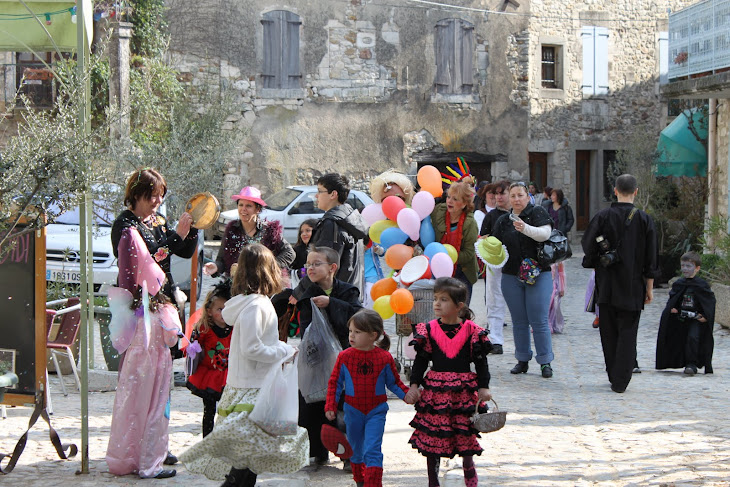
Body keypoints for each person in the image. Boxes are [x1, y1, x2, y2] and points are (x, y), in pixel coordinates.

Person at [180, 244, 309, 487]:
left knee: (248, 459)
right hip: (252, 390)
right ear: (268, 272)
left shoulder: (248, 304)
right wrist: (284, 350)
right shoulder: (257, 306)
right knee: (245, 463)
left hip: (246, 388)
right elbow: (253, 348)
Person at [107, 168, 194, 479]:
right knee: (144, 382)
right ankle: (142, 449)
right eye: (152, 195)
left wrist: (188, 232)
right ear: (136, 194)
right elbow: (148, 260)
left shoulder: (157, 221)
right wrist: (175, 238)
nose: (158, 201)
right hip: (141, 310)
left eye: (161, 195)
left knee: (162, 383)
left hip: (163, 304)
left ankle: (157, 444)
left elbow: (180, 251)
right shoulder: (125, 225)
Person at [408, 277, 492, 487]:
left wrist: (484, 386)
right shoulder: (428, 330)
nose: (437, 303)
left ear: (459, 306)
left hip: (463, 391)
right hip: (436, 391)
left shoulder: (472, 332)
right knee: (434, 432)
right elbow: (421, 361)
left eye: (443, 299)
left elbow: (481, 362)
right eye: (436, 298)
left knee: (464, 430)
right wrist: (414, 385)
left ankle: (469, 471)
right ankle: (432, 480)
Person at [581, 174, 659, 393]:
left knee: (608, 331)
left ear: (615, 190)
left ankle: (613, 373)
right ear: (636, 191)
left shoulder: (603, 216)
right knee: (628, 331)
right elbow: (651, 257)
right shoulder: (644, 220)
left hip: (607, 284)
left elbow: (588, 245)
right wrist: (650, 287)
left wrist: (598, 259)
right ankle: (621, 379)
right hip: (633, 285)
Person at [324, 309, 412, 487]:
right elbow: (335, 383)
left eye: (357, 332)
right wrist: (330, 406)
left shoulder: (384, 358)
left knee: (372, 449)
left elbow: (394, 383)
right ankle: (360, 481)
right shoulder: (345, 357)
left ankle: (373, 483)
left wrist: (407, 395)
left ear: (373, 335)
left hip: (376, 411)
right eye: (350, 331)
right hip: (352, 410)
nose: (352, 336)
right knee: (356, 451)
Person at [295, 246, 363, 467]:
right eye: (308, 264)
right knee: (314, 403)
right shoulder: (308, 293)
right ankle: (317, 450)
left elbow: (357, 318)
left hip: (345, 357)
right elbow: (306, 328)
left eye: (316, 264)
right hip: (318, 359)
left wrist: (332, 304)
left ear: (332, 268)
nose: (311, 268)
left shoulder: (348, 292)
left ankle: (348, 454)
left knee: (344, 406)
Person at [491, 181, 555, 378]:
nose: (517, 199)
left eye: (520, 195)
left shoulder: (538, 213)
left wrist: (525, 228)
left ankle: (545, 362)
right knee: (519, 320)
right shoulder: (503, 220)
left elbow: (545, 234)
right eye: (513, 196)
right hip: (511, 275)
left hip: (538, 274)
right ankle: (522, 359)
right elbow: (497, 246)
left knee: (539, 320)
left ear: (528, 197)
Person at [204, 186, 294, 278]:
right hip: (236, 286)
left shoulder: (269, 230)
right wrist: (216, 266)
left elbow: (290, 253)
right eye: (241, 205)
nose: (243, 209)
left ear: (258, 209)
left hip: (262, 286)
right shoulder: (231, 231)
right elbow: (222, 260)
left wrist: (269, 267)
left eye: (248, 206)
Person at [656, 251, 716, 376]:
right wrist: (672, 309)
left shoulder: (702, 285)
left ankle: (692, 364)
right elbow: (673, 299)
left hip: (696, 319)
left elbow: (708, 302)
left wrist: (705, 316)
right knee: (680, 339)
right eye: (683, 265)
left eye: (689, 266)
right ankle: (680, 361)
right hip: (681, 318)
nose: (685, 269)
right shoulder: (679, 284)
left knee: (693, 338)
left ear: (697, 268)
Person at [186, 280, 232, 437]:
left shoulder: (235, 329)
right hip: (209, 376)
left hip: (227, 376)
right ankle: (207, 440)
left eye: (227, 309)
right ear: (210, 310)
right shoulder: (205, 328)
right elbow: (193, 349)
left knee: (227, 410)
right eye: (220, 309)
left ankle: (224, 440)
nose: (224, 313)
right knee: (209, 410)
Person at [310, 173, 369, 295]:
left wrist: (299, 292)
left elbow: (322, 265)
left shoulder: (332, 223)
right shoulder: (351, 218)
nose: (316, 196)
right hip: (350, 294)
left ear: (333, 194)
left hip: (332, 297)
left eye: (320, 191)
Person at [364, 170, 415, 307]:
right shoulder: (378, 222)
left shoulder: (413, 217)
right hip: (391, 277)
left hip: (415, 275)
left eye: (398, 197)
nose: (392, 202)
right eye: (386, 200)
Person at [431, 181, 479, 304]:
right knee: (441, 309)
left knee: (460, 311)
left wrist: (447, 257)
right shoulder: (438, 212)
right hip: (438, 269)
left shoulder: (471, 224)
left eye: (455, 199)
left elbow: (469, 254)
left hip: (462, 272)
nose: (449, 201)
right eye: (448, 197)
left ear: (464, 204)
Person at [479, 180, 511, 354]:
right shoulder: (490, 217)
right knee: (495, 300)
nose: (498, 197)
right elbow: (482, 239)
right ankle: (495, 339)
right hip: (496, 265)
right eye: (496, 194)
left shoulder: (519, 214)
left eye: (501, 193)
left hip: (516, 265)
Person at [291, 219, 318, 284]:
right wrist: (303, 271)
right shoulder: (296, 251)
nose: (304, 234)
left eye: (308, 231)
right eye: (301, 232)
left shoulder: (322, 251)